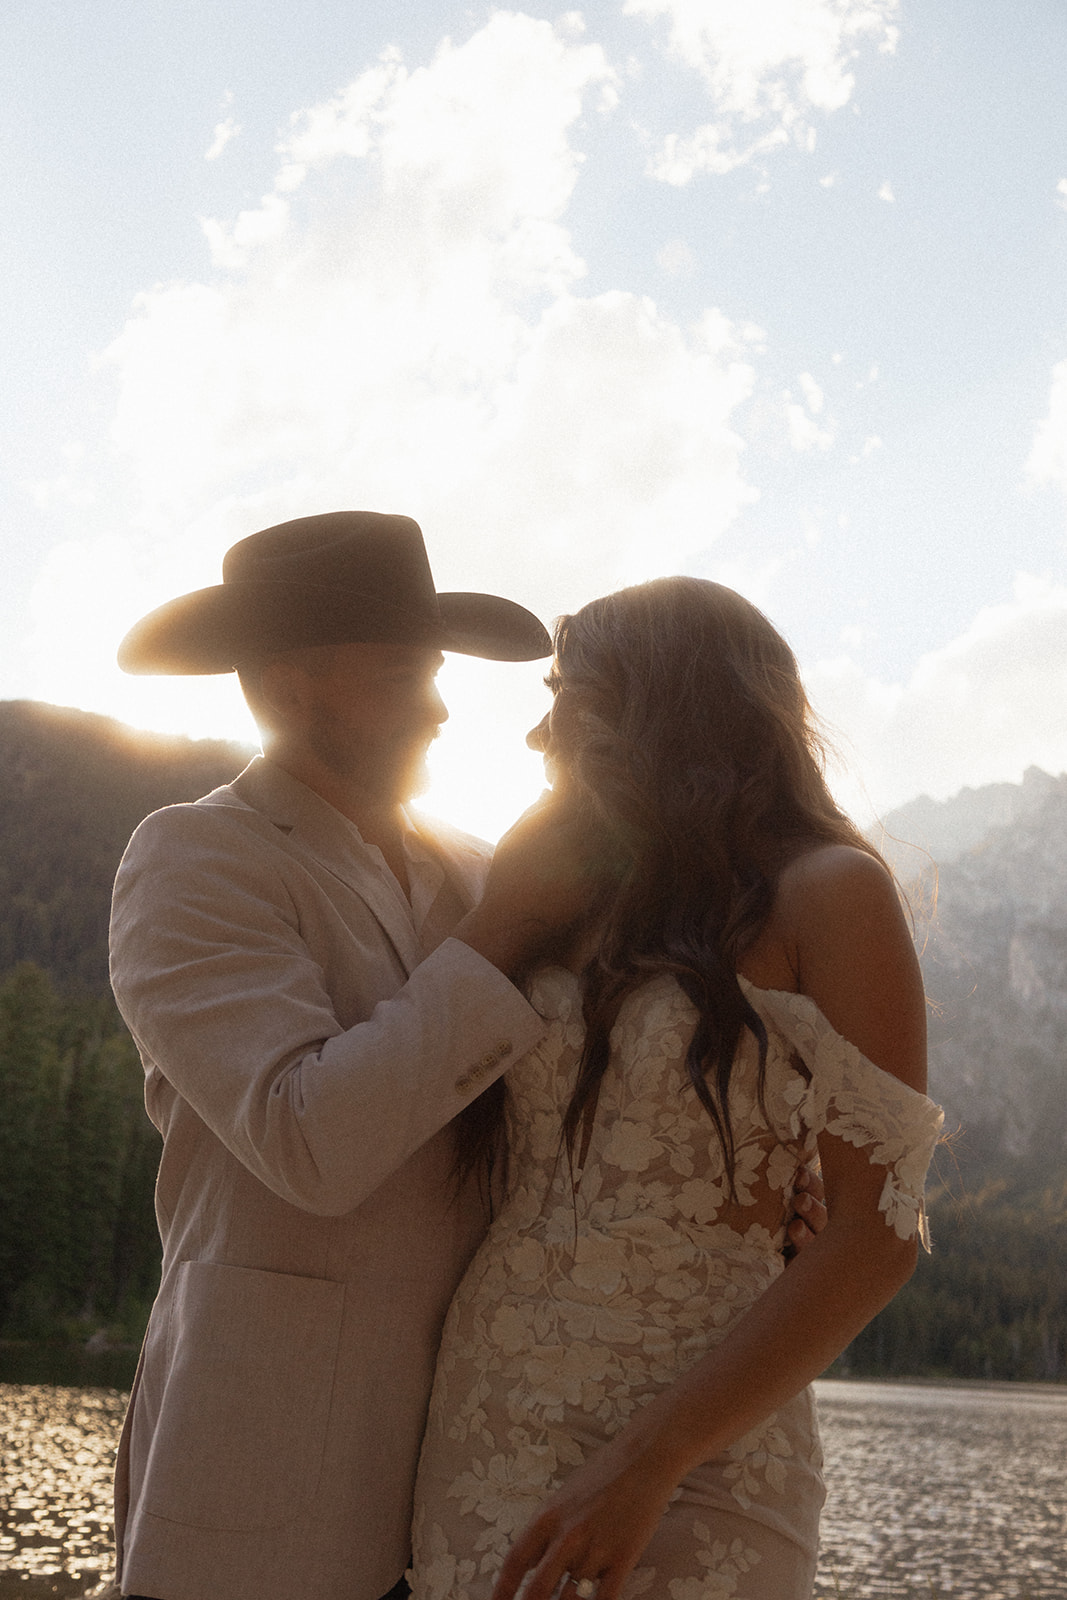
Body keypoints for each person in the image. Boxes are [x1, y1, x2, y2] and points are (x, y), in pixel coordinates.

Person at [109, 516, 825, 1600]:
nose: (440, 706)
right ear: (286, 686)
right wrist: (500, 929)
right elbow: (306, 1138)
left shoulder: (484, 863)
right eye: (402, 673)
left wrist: (762, 1175)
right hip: (261, 1492)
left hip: (490, 1482)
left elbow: (621, 1073)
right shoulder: (193, 858)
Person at [409, 577, 944, 1600]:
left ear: (655, 702)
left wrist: (648, 1458)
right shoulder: (555, 885)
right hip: (487, 1426)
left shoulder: (830, 891)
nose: (535, 733)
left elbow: (875, 1230)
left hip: (704, 1445)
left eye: (565, 690)